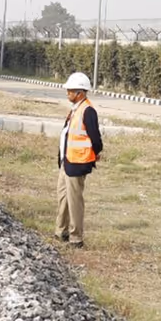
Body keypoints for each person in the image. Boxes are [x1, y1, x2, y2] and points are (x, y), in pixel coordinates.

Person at [57, 72, 104, 249]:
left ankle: (76, 238)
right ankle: (61, 231)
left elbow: (96, 139)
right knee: (63, 198)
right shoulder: (75, 110)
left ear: (80, 93)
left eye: (70, 91)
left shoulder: (88, 111)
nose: (67, 93)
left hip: (77, 163)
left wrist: (93, 154)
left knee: (74, 201)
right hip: (66, 161)